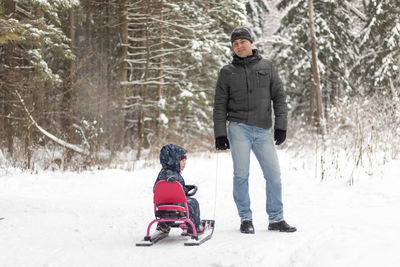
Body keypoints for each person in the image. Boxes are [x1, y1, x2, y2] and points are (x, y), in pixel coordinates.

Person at [213, 27, 296, 234]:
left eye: (242, 41)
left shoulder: (267, 66)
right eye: (235, 44)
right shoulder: (227, 72)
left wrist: (281, 126)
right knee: (241, 175)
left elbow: (279, 97)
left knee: (274, 175)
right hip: (238, 128)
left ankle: (276, 218)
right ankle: (245, 218)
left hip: (262, 130)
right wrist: (220, 133)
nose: (239, 46)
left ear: (250, 42)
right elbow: (220, 104)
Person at [154, 144, 203, 235]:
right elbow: (180, 193)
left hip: (161, 207)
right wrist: (185, 190)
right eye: (183, 160)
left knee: (169, 204)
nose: (185, 163)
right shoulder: (176, 176)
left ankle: (164, 224)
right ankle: (194, 227)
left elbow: (156, 189)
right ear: (175, 161)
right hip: (178, 207)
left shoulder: (161, 174)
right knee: (193, 202)